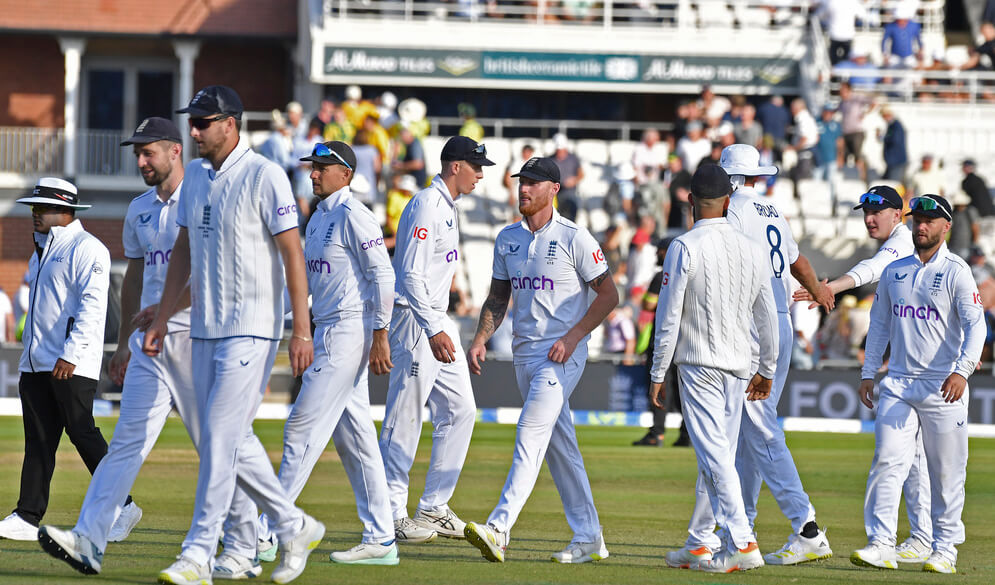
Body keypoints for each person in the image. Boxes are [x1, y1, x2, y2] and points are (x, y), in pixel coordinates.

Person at [143, 85, 324, 585]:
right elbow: (182, 249)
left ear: (231, 123)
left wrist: (300, 330)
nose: (195, 131)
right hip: (203, 329)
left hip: (254, 330)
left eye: (204, 122)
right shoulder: (196, 178)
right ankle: (293, 525)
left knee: (221, 439)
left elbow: (293, 254)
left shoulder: (266, 175)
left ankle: (198, 553)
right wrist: (160, 318)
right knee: (230, 441)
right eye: (193, 122)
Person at [36, 117, 199, 574]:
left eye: (149, 152)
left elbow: (210, 275)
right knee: (127, 443)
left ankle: (269, 527)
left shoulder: (202, 201)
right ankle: (89, 540)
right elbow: (135, 278)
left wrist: (166, 315)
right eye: (137, 153)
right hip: (149, 343)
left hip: (197, 337)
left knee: (220, 443)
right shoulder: (139, 209)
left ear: (175, 151)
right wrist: (126, 340)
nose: (141, 160)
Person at [246, 141, 398, 566]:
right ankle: (382, 539)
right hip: (328, 327)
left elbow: (383, 277)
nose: (313, 174)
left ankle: (267, 532)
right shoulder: (317, 218)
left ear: (346, 173)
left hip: (349, 330)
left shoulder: (355, 216)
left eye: (322, 168)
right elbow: (308, 281)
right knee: (357, 440)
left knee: (300, 430)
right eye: (312, 167)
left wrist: (381, 335)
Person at [464, 156, 618, 564]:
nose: (524, 190)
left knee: (530, 432)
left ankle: (499, 528)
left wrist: (572, 337)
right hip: (523, 353)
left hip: (562, 354)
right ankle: (589, 537)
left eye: (533, 183)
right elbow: (498, 297)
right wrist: (481, 338)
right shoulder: (507, 239)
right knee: (560, 447)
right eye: (521, 183)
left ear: (554, 189)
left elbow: (609, 295)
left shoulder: (575, 237)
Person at [710, 144, 835, 566]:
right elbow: (797, 259)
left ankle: (807, 527)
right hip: (777, 317)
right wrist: (818, 288)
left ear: (727, 178)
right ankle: (739, 528)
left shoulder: (732, 211)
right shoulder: (770, 209)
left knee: (757, 427)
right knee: (749, 432)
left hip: (750, 319)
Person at [651, 164, 779, 573]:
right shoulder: (752, 248)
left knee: (716, 456)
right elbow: (768, 317)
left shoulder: (683, 246)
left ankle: (742, 541)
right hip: (740, 366)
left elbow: (667, 317)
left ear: (690, 201)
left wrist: (657, 372)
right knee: (717, 454)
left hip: (699, 365)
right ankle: (699, 543)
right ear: (728, 202)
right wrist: (768, 367)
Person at [793, 184, 930, 562]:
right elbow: (880, 320)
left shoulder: (902, 242)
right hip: (904, 372)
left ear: (898, 214)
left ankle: (905, 541)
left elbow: (871, 269)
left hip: (928, 374)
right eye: (865, 212)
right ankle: (904, 540)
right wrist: (869, 370)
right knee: (906, 459)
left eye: (877, 211)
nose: (869, 219)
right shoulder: (899, 248)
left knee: (912, 462)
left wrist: (829, 286)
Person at [851, 194, 985, 574]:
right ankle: (881, 543)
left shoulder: (958, 270)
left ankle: (944, 549)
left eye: (929, 220)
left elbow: (977, 326)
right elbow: (879, 325)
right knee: (888, 462)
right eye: (916, 220)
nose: (921, 226)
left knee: (946, 473)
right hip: (898, 384)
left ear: (946, 226)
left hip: (943, 386)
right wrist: (867, 372)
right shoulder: (896, 270)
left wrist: (962, 371)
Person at [380, 136, 492, 543]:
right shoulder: (427, 203)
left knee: (461, 410)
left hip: (434, 319)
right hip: (416, 321)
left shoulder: (446, 206)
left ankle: (432, 507)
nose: (481, 174)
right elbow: (409, 274)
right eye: (476, 166)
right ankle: (389, 515)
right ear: (454, 166)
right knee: (403, 419)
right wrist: (433, 327)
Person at [0, 178, 114, 542]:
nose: (34, 213)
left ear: (64, 210)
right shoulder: (41, 249)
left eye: (41, 207)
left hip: (70, 363)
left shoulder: (88, 247)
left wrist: (72, 352)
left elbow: (93, 307)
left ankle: (122, 506)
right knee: (38, 441)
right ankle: (26, 516)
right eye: (33, 207)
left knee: (83, 433)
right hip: (36, 363)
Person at [814, 105, 844, 214]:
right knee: (816, 183)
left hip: (831, 159)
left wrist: (840, 157)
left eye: (830, 112)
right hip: (818, 160)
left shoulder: (835, 125)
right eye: (826, 112)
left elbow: (840, 142)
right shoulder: (817, 122)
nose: (828, 114)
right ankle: (817, 207)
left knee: (831, 183)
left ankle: (831, 207)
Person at [550, 133, 584, 222]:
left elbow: (581, 174)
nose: (560, 152)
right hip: (555, 195)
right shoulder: (550, 159)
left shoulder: (573, 159)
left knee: (570, 220)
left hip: (570, 193)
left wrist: (574, 180)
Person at [880, 107, 908, 183]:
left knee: (893, 185)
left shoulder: (896, 126)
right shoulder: (892, 126)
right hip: (893, 162)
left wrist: (883, 138)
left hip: (897, 162)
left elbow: (895, 140)